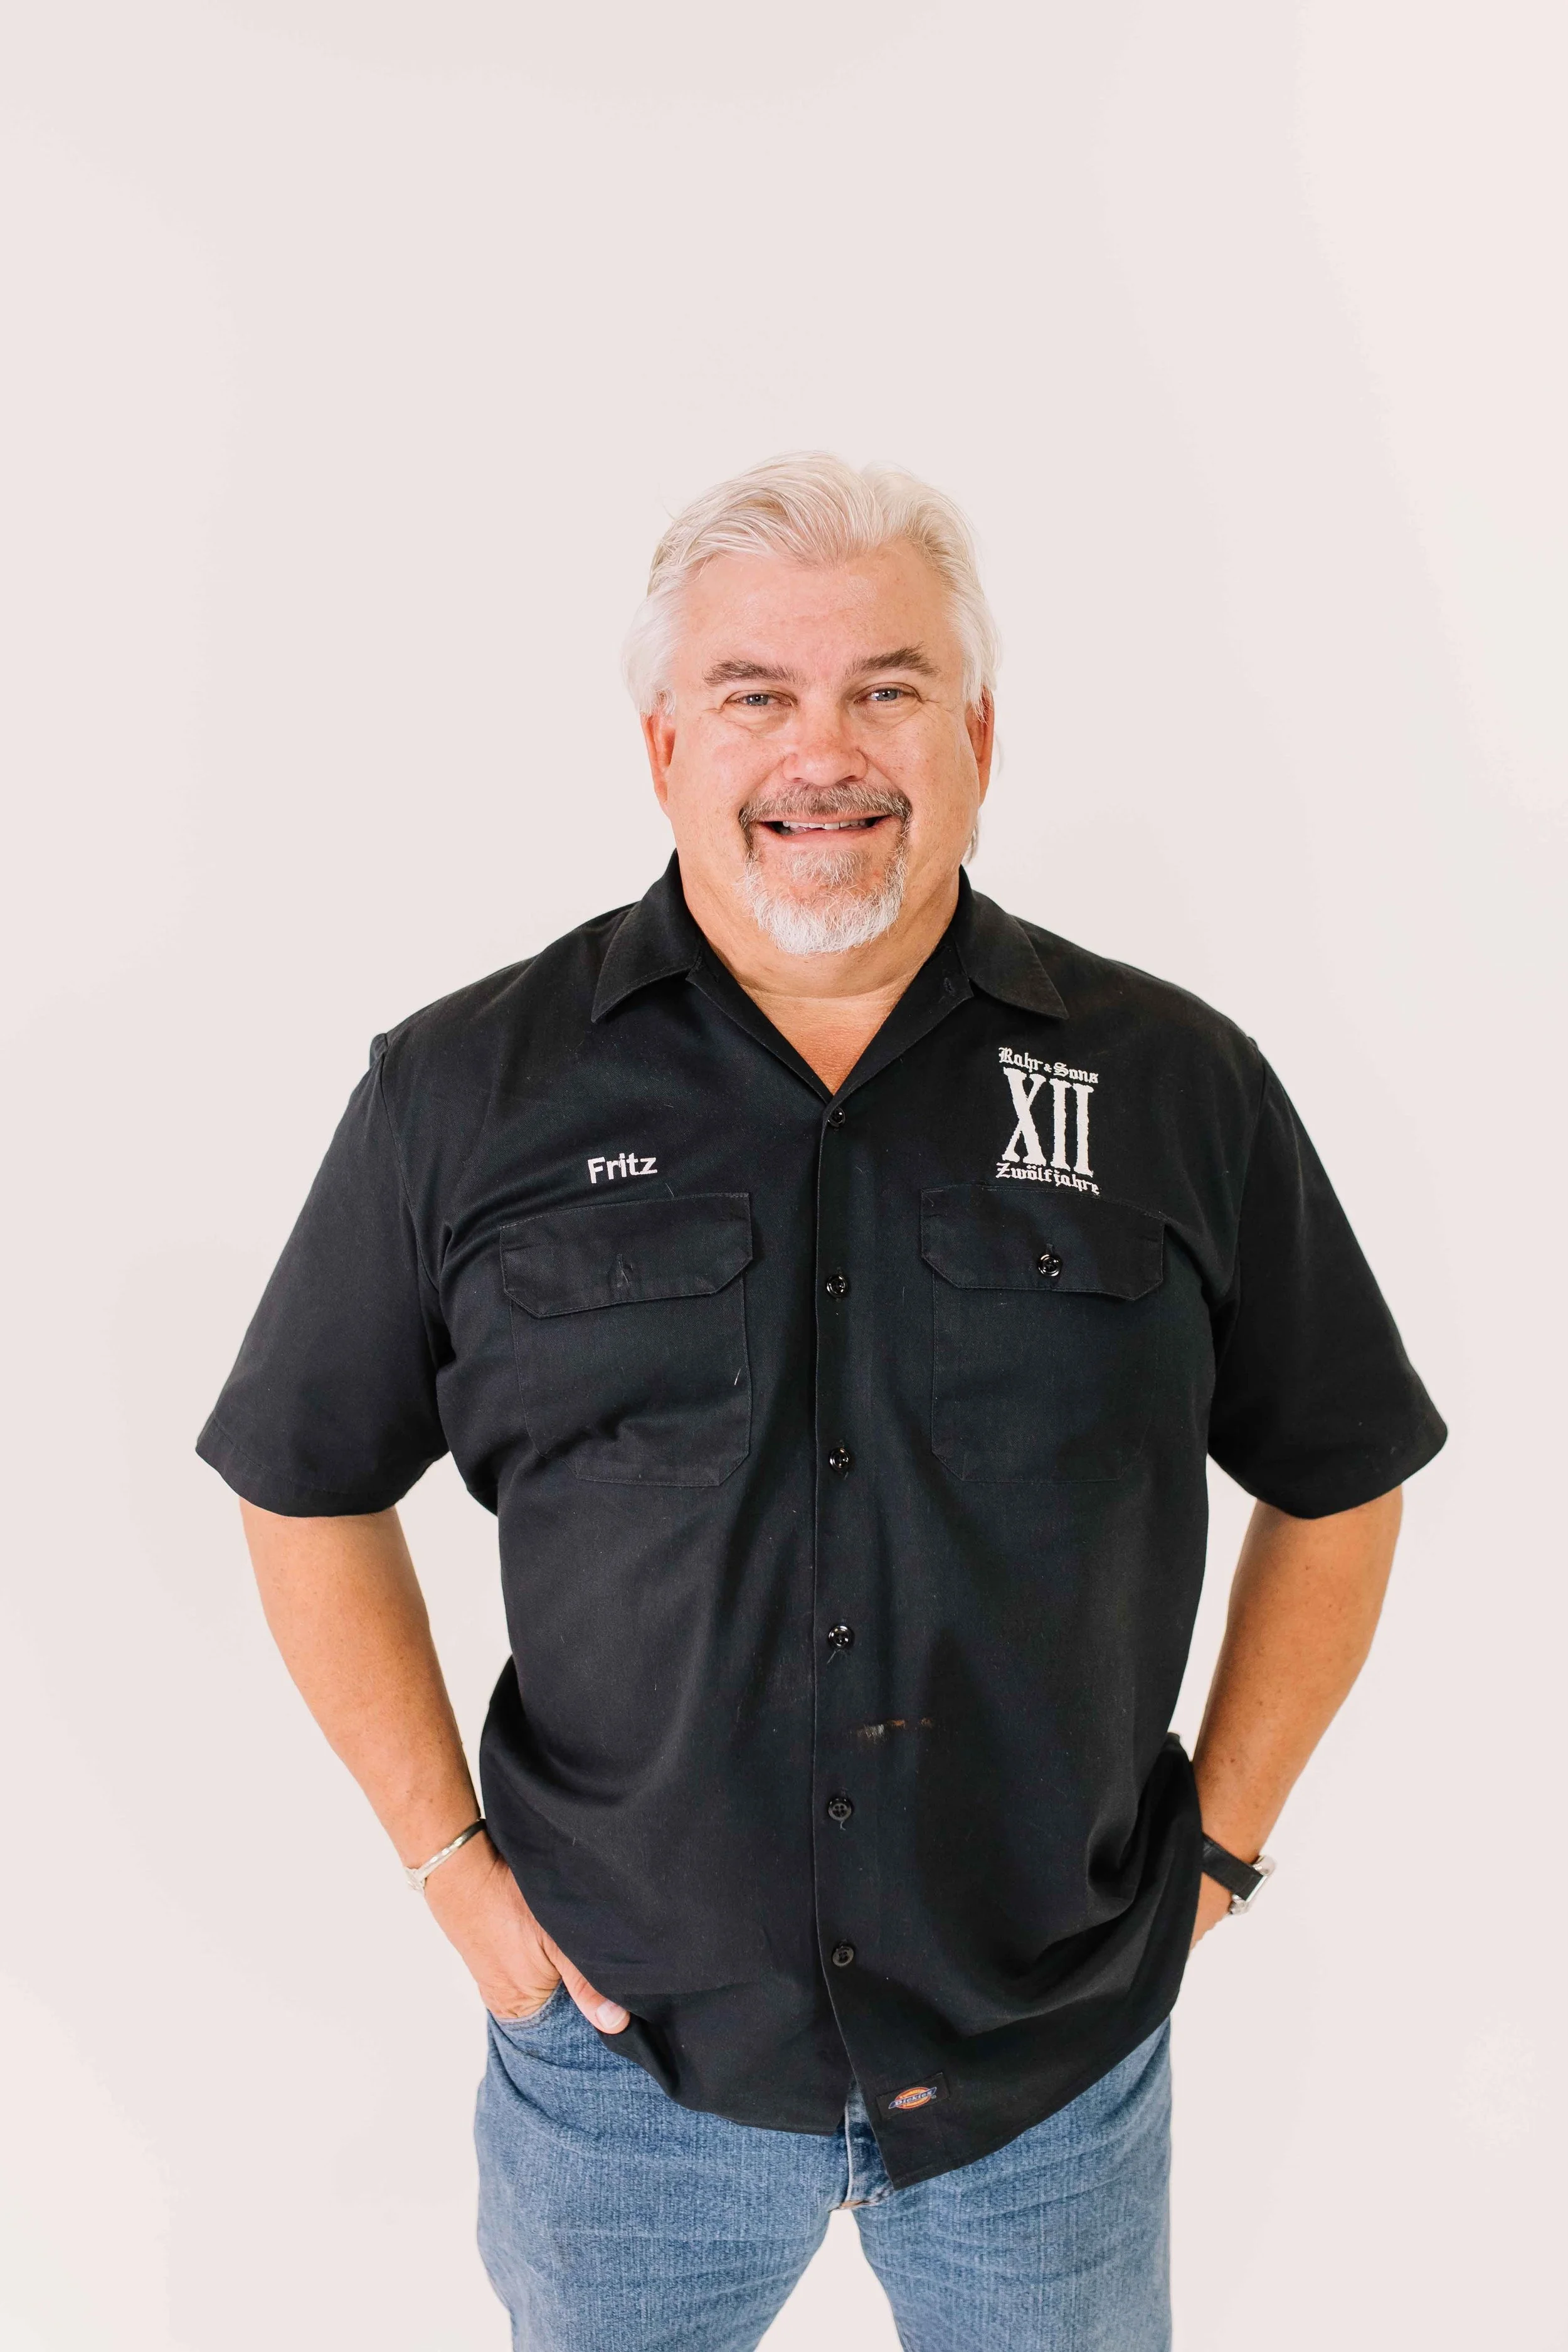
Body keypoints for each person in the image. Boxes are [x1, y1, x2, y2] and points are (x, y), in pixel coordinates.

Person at [198, 453, 1446, 2351]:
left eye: (886, 687)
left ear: (979, 734)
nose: (823, 751)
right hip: (621, 2072)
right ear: (663, 748)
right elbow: (302, 1481)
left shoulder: (1176, 1088)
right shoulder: (463, 1095)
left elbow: (1341, 1472)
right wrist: (455, 1879)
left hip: (1048, 2081)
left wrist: (1215, 1855)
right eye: (755, 694)